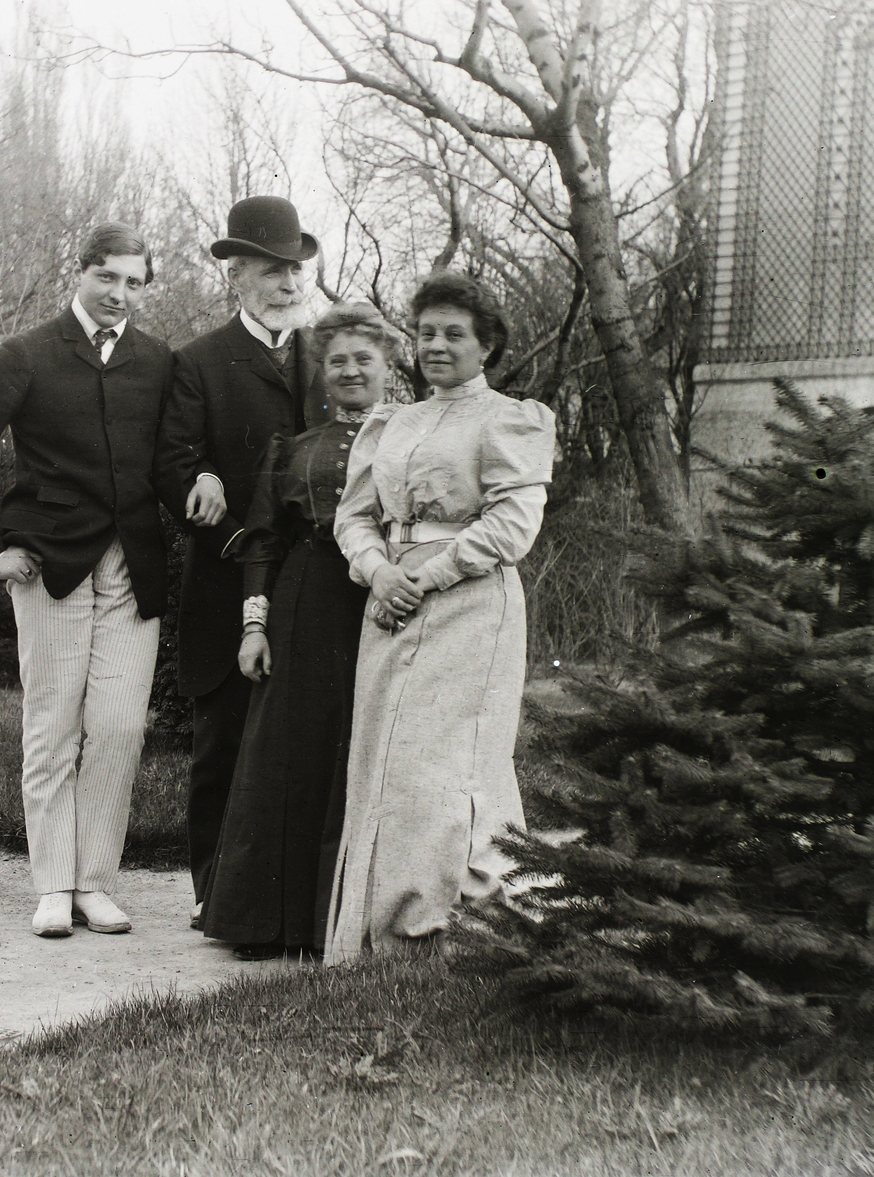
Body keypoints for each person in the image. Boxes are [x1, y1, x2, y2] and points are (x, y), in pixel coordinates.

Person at [0, 223, 171, 939]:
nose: (119, 294)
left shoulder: (156, 362)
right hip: (50, 567)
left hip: (133, 569)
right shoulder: (26, 355)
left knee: (121, 727)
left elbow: (174, 456)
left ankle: (96, 882)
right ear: (82, 272)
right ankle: (53, 885)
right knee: (53, 723)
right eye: (108, 278)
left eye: (133, 282)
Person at [326, 271, 555, 964]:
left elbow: (512, 527)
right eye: (426, 332)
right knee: (385, 767)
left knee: (448, 771)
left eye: (455, 333)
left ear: (486, 345)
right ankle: (380, 934)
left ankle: (463, 931)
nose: (437, 344)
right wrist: (380, 571)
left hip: (469, 609)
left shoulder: (510, 418)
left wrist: (422, 576)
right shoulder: (392, 422)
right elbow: (354, 518)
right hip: (391, 606)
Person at [202, 302, 408, 961]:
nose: (350, 371)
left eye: (363, 359)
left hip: (386, 602)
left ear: (388, 365)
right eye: (337, 361)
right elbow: (262, 542)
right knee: (293, 749)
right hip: (306, 603)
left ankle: (362, 920)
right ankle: (276, 921)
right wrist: (253, 628)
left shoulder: (413, 438)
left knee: (371, 746)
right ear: (322, 373)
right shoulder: (294, 449)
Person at [156, 196, 331, 928]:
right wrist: (204, 487)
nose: (288, 286)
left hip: (321, 580)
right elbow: (173, 460)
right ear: (237, 277)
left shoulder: (330, 357)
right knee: (224, 744)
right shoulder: (197, 361)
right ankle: (214, 893)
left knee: (311, 738)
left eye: (296, 271)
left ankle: (298, 897)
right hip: (229, 579)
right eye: (271, 272)